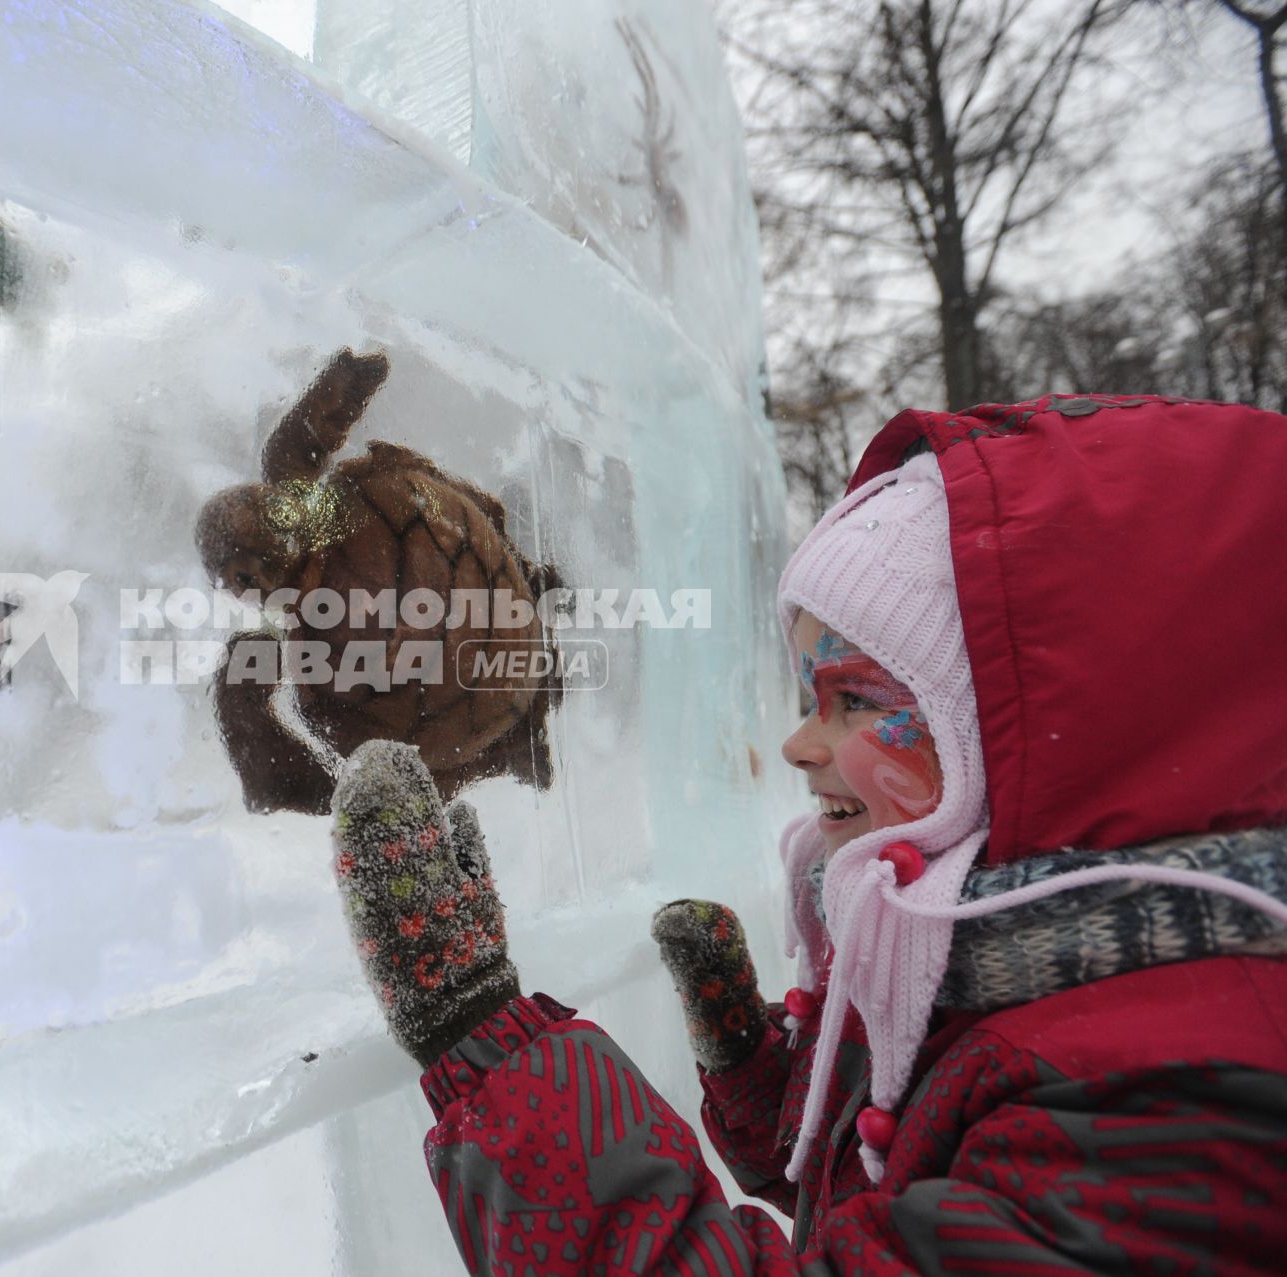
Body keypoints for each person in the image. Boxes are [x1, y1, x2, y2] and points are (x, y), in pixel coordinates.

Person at [327, 394, 1287, 1274]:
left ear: (1035, 740)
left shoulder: (1169, 1110)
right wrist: (760, 1074)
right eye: (805, 697)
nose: (795, 742)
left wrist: (491, 1053)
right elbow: (901, 1193)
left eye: (855, 700)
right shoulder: (1006, 968)